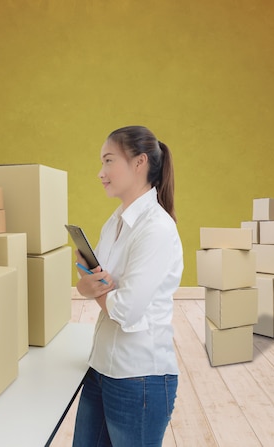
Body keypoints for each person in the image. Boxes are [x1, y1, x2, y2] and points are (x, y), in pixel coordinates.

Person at [72, 125, 184, 447]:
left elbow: (125, 309)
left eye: (109, 161)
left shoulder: (157, 229)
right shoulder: (115, 221)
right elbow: (92, 282)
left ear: (139, 163)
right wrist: (92, 286)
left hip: (140, 379)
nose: (100, 173)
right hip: (100, 368)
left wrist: (96, 288)